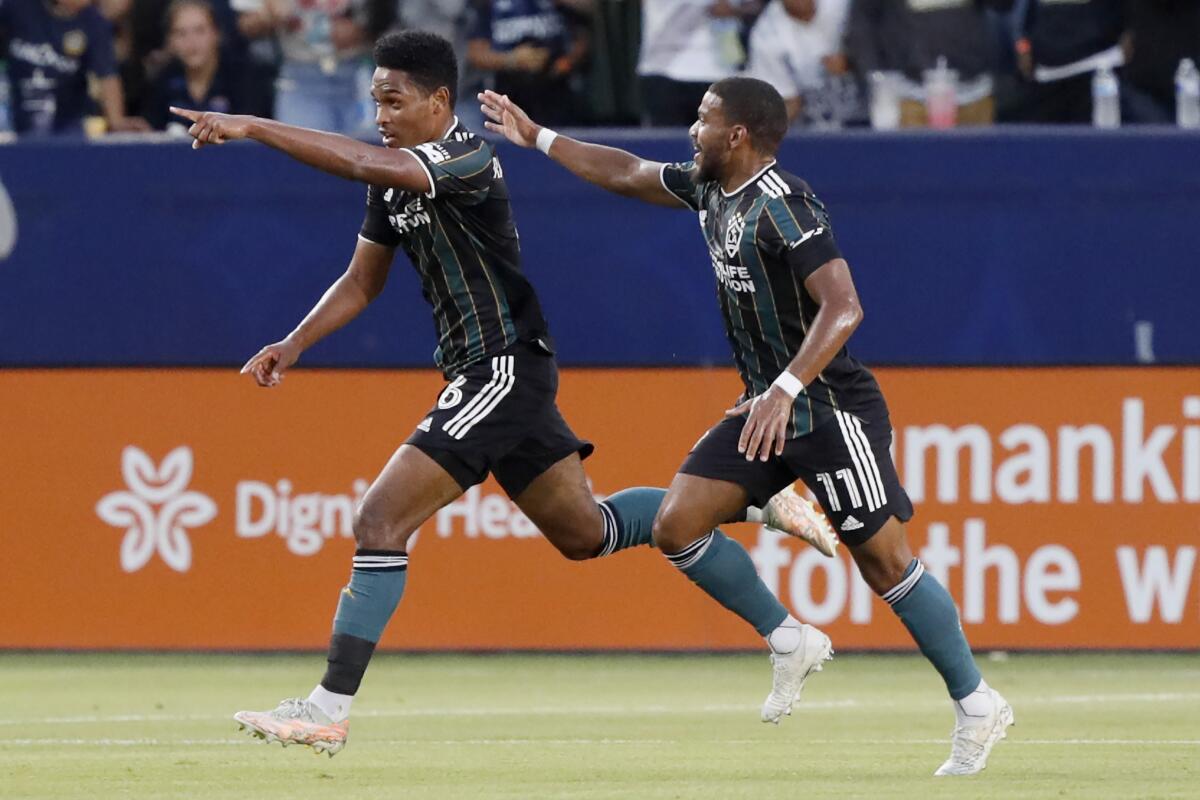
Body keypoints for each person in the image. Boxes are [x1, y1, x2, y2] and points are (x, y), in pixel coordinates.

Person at [171, 30, 837, 756]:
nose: (382, 115)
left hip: (502, 368)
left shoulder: (464, 156)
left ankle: (328, 707)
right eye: (374, 102)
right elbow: (363, 279)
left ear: (439, 101)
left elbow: (366, 159)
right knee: (587, 532)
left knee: (379, 521)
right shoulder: (393, 177)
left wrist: (253, 125)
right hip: (488, 371)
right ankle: (763, 552)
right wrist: (294, 343)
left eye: (394, 101)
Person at [479, 77, 1014, 777]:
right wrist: (539, 137)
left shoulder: (784, 204)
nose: (690, 131)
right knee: (677, 524)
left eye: (703, 119)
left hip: (827, 409)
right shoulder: (710, 189)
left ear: (737, 135)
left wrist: (786, 388)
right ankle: (789, 635)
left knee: (885, 563)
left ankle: (978, 704)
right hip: (766, 407)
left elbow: (845, 307)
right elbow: (630, 172)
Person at [0, 0, 148, 134]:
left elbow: (107, 75)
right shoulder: (18, 7)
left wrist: (116, 120)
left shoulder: (94, 22)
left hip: (66, 127)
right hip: (14, 122)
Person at [844, 0, 998, 126]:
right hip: (910, 95)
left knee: (975, 161)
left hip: (974, 93)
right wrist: (875, 77)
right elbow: (861, 20)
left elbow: (1004, 5)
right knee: (914, 162)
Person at [466, 0, 589, 127]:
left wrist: (565, 63)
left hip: (557, 92)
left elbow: (581, 36)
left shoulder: (555, 5)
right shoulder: (491, 6)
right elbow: (475, 54)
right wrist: (512, 59)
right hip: (509, 93)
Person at [745, 0, 864, 128]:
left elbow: (879, 41)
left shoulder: (842, 5)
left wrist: (852, 61)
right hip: (811, 128)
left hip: (867, 111)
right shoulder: (766, 36)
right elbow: (788, 101)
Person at [141, 0, 247, 129]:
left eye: (199, 31)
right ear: (170, 41)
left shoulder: (243, 79)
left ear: (216, 33)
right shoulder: (163, 82)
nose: (191, 42)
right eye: (181, 33)